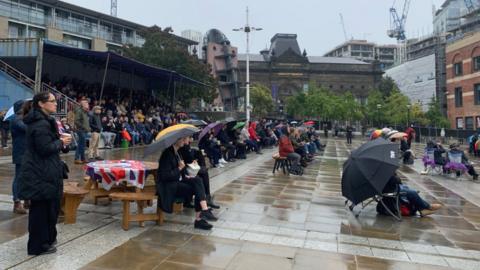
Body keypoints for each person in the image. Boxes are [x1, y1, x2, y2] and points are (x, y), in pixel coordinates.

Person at [18, 92, 72, 255]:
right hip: (39, 173)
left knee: (49, 209)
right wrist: (60, 141)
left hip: (47, 171)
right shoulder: (39, 124)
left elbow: (51, 145)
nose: (56, 104)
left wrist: (62, 142)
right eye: (52, 101)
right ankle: (37, 246)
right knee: (40, 211)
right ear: (41, 104)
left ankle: (46, 241)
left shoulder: (46, 121)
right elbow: (44, 149)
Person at [156, 136, 217, 230]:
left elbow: (181, 171)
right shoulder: (167, 154)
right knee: (197, 187)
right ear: (175, 140)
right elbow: (165, 176)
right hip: (169, 186)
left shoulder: (177, 152)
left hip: (177, 181)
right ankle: (200, 217)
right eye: (182, 139)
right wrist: (179, 168)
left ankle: (202, 213)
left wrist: (186, 175)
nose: (184, 141)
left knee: (197, 180)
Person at [178, 137, 220, 209]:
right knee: (202, 174)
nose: (189, 139)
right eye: (187, 138)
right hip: (185, 171)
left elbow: (189, 157)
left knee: (203, 172)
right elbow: (187, 158)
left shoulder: (184, 147)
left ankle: (206, 198)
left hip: (186, 168)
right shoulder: (181, 148)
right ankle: (206, 198)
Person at [378, 172, 442, 217]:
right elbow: (397, 181)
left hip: (391, 188)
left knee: (408, 189)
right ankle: (428, 207)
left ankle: (422, 210)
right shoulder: (383, 172)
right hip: (390, 191)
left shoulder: (380, 171)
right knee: (412, 193)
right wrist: (394, 174)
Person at [10, 100, 32, 214]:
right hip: (20, 153)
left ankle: (27, 199)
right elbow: (27, 129)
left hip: (27, 152)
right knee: (19, 177)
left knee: (28, 176)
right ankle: (17, 202)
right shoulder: (16, 119)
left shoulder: (24, 118)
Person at [74, 99, 90, 164]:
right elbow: (76, 121)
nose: (87, 104)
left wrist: (87, 128)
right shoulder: (79, 111)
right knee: (80, 144)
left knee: (83, 145)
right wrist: (83, 127)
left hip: (84, 130)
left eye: (87, 103)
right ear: (82, 105)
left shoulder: (85, 112)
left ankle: (82, 158)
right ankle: (76, 158)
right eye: (86, 103)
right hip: (80, 130)